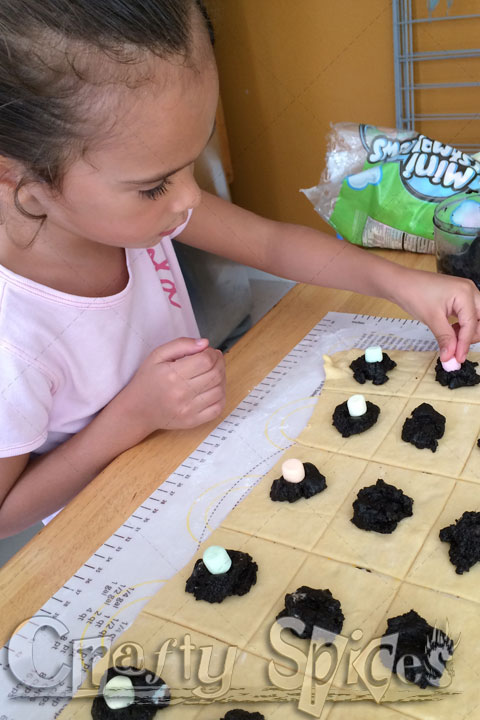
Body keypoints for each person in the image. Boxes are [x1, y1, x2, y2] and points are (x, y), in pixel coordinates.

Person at [0, 0, 479, 539]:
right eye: (155, 184)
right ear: (21, 183)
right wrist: (132, 417)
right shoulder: (12, 338)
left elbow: (271, 243)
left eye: (191, 163)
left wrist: (400, 282)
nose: (188, 199)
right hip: (116, 527)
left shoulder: (134, 212)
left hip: (205, 454)